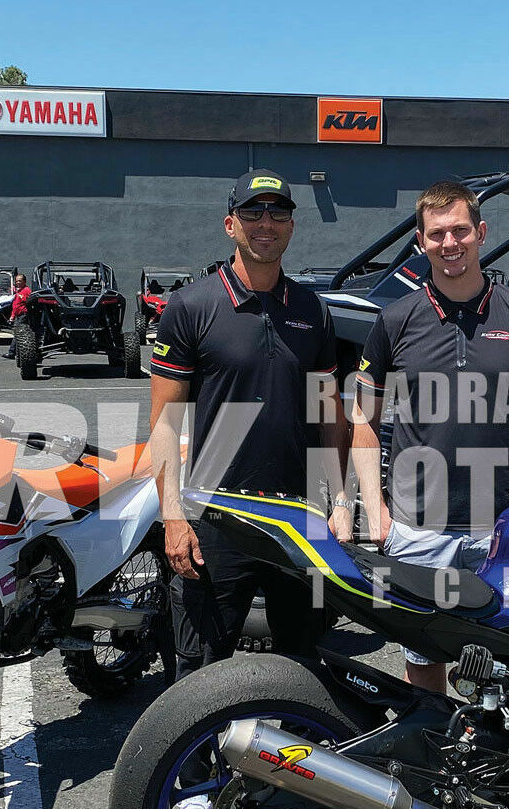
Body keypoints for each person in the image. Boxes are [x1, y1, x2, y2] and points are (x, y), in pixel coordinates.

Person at [345, 180, 509, 693]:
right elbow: (362, 419)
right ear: (420, 242)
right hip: (417, 530)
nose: (449, 243)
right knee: (423, 661)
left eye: (459, 231)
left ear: (481, 232)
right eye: (437, 234)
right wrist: (376, 509)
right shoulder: (395, 320)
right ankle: (434, 760)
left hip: (501, 528)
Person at [149, 169, 344, 676]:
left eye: (279, 212)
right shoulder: (191, 306)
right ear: (230, 224)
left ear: (292, 226)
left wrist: (341, 501)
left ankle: (288, 756)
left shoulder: (312, 311)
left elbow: (329, 417)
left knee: (303, 669)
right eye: (253, 212)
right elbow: (164, 424)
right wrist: (173, 518)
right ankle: (194, 760)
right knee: (200, 674)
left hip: (300, 520)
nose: (266, 223)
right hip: (217, 520)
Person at [2, 273, 32, 356]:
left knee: (18, 334)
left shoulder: (27, 291)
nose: (18, 282)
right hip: (17, 316)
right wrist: (12, 316)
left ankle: (12, 352)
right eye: (16, 281)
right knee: (18, 333)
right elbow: (15, 306)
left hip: (24, 315)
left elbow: (28, 303)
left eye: (20, 281)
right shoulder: (18, 292)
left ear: (24, 282)